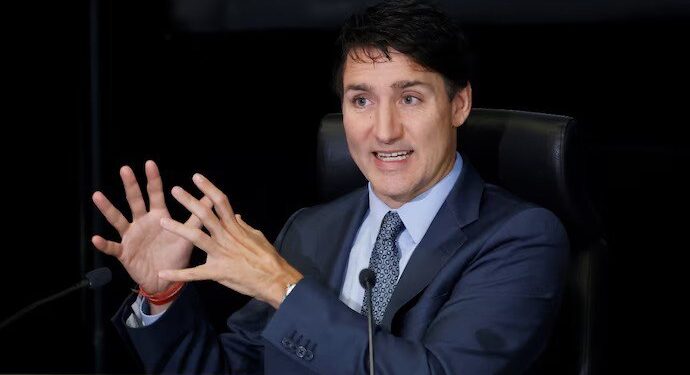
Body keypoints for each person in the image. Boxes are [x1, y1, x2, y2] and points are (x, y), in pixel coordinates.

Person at [92, 0, 569, 373]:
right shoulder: (310, 231)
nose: (384, 131)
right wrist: (162, 297)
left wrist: (285, 287)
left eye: (409, 98)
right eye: (361, 100)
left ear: (459, 104)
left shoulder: (521, 237)